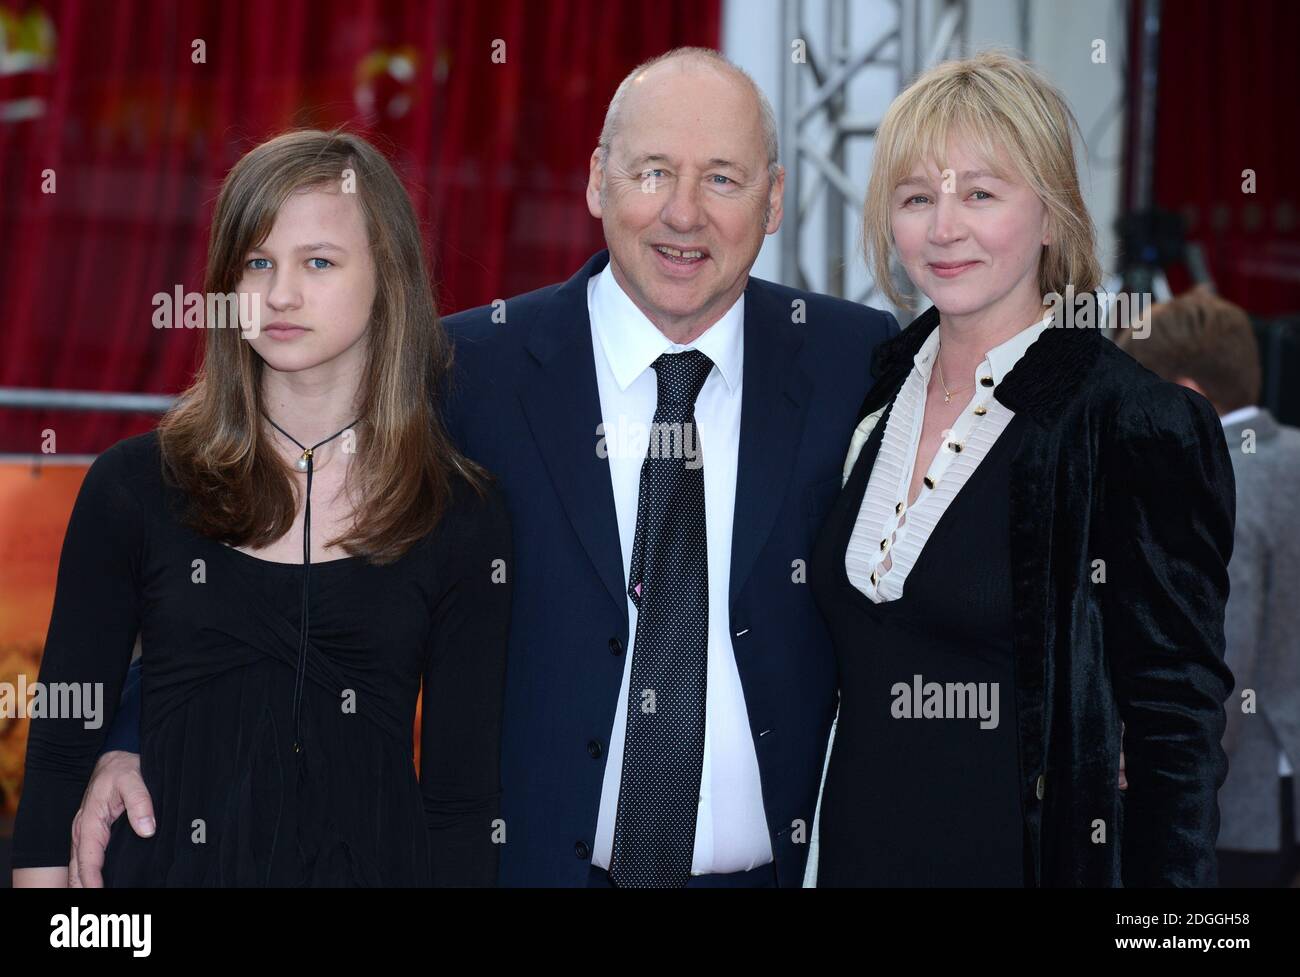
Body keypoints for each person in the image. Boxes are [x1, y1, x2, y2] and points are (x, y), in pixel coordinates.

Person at [72, 47, 898, 888]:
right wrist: (134, 732)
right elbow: (282, 564)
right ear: (596, 181)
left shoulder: (853, 362)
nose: (683, 213)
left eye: (722, 178)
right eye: (652, 172)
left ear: (774, 199)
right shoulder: (466, 368)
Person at [11, 129, 511, 887]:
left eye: (319, 262)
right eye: (257, 262)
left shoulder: (458, 513)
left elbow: (461, 800)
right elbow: (58, 753)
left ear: (389, 278)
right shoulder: (133, 486)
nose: (280, 295)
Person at [805, 51, 1235, 887]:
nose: (944, 228)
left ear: (1051, 216)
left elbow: (1175, 736)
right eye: (917, 197)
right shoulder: (872, 387)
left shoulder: (1132, 421)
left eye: (980, 194)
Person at [1119, 289, 1300, 888]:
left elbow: (1222, 661)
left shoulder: (1215, 485)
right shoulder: (1292, 454)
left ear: (1186, 396)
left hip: (1236, 800)